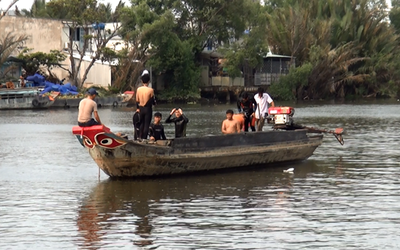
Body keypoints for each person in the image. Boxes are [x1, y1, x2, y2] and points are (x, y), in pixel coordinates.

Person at [136, 73, 155, 140]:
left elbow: (137, 100)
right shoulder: (151, 90)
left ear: (142, 81)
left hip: (141, 108)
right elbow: (152, 101)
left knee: (141, 123)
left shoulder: (138, 89)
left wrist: (137, 108)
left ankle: (140, 137)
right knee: (147, 124)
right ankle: (144, 138)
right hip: (148, 109)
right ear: (149, 81)